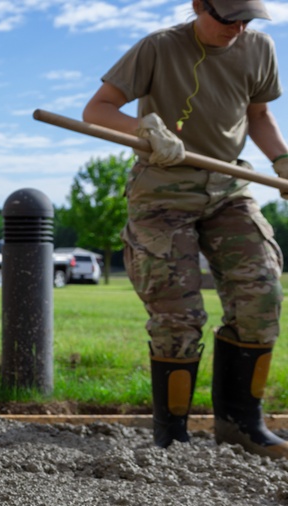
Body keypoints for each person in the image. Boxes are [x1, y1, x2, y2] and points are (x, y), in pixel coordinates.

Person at [83, 0, 288, 458]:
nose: (236, 29)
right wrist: (145, 129)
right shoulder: (158, 48)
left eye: (246, 20)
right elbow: (96, 111)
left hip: (229, 188)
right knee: (178, 314)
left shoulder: (260, 49)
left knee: (262, 294)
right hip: (163, 194)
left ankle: (241, 424)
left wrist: (282, 159)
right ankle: (171, 436)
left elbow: (258, 117)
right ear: (199, 5)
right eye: (227, 18)